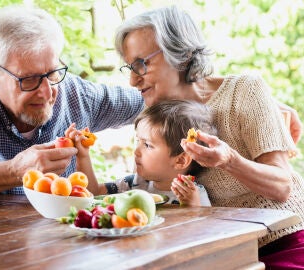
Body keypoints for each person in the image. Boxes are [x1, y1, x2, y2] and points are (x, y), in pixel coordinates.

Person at [114, 5, 304, 268]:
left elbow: (282, 187)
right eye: (129, 68)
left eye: (141, 64)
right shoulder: (155, 112)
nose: (133, 81)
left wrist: (229, 160)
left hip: (280, 241)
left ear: (181, 54)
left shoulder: (243, 91)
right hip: (219, 251)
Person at [0, 5, 144, 203]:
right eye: (29, 79)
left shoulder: (76, 94)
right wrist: (15, 170)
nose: (47, 92)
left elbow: (148, 101)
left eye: (52, 73)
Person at [66, 99, 216, 206]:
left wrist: (194, 207)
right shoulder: (135, 184)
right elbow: (93, 194)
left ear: (180, 161)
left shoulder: (194, 195)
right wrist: (83, 155)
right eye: (138, 141)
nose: (136, 152)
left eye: (147, 145)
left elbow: (203, 232)